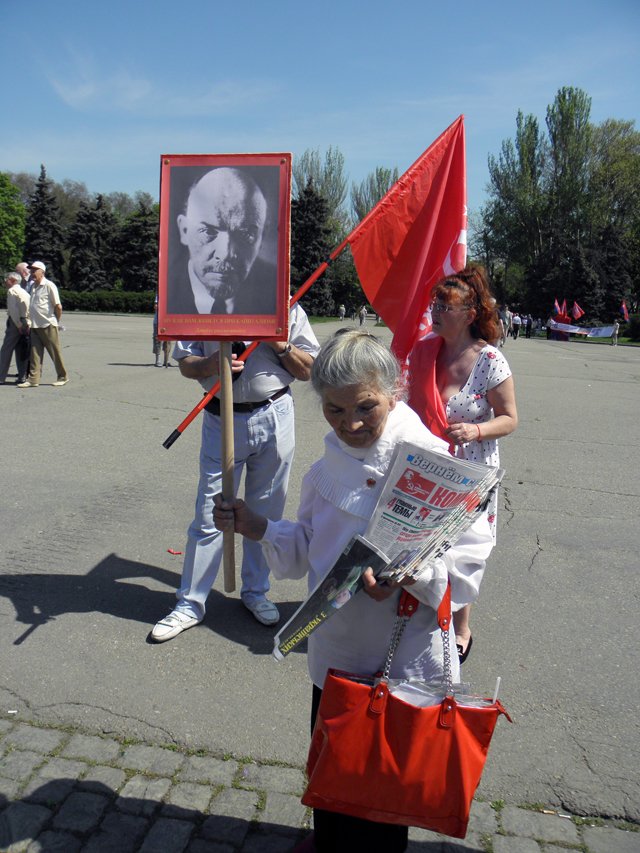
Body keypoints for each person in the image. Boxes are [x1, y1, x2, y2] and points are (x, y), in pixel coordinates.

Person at [214, 330, 492, 852]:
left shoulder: (434, 462)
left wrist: (418, 575)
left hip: (402, 653)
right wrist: (256, 526)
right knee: (333, 770)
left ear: (394, 392)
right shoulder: (323, 472)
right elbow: (305, 551)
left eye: (366, 407)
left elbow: (471, 552)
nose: (351, 424)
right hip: (336, 652)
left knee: (385, 788)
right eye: (335, 411)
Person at [151, 303, 320, 642]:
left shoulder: (284, 303)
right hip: (220, 415)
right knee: (209, 513)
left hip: (274, 413)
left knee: (265, 511)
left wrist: (278, 342)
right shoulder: (201, 302)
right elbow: (186, 362)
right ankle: (190, 603)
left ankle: (256, 591)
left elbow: (308, 368)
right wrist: (210, 365)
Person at [407, 265, 518, 664]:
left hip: (471, 472)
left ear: (470, 315)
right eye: (434, 303)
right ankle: (425, 614)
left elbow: (509, 418)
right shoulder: (423, 351)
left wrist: (476, 430)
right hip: (428, 465)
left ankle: (462, 626)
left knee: (461, 552)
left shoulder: (490, 360)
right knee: (426, 547)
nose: (435, 311)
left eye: (445, 306)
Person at [167, 167, 277, 315]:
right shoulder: (166, 295)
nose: (225, 253)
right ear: (184, 230)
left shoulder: (281, 301)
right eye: (208, 231)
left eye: (245, 234)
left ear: (262, 236)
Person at [17, 262, 68, 388]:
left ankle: (63, 377)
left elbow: (58, 306)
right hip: (35, 325)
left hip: (48, 325)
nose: (32, 273)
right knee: (34, 354)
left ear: (42, 272)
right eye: (31, 270)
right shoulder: (33, 286)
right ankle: (33, 380)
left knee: (55, 353)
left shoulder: (49, 286)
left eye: (35, 270)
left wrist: (56, 321)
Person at [0, 272, 31, 385]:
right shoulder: (24, 292)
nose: (4, 282)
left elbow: (13, 311)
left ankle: (1, 377)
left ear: (12, 280)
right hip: (26, 321)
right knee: (21, 350)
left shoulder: (12, 291)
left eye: (6, 279)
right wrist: (26, 324)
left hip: (16, 323)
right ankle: (22, 377)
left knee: (6, 350)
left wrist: (19, 325)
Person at [152, 297, 171, 367]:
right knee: (157, 340)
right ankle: (158, 360)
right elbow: (156, 306)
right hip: (158, 321)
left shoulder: (172, 294)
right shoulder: (159, 293)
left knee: (168, 340)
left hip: (168, 321)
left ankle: (166, 360)